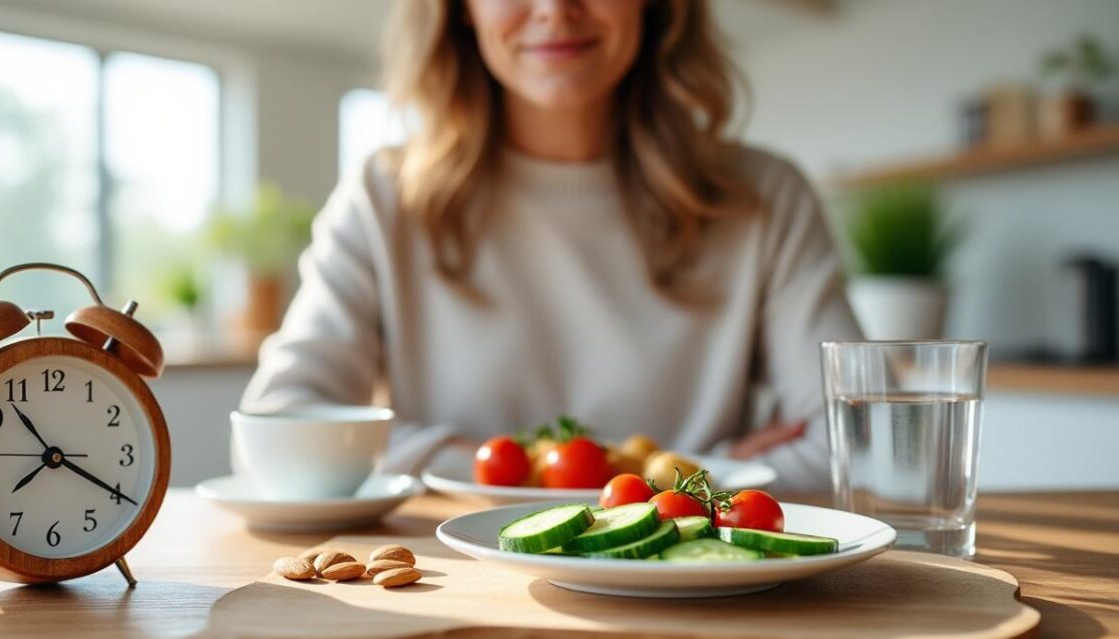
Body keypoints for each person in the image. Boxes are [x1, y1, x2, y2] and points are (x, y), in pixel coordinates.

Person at [241, 0, 861, 492]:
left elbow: (854, 446)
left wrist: (493, 472)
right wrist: (687, 478)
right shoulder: (383, 198)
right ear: (460, 8)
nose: (554, 8)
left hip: (695, 592)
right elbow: (279, 430)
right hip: (453, 588)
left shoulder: (765, 198)